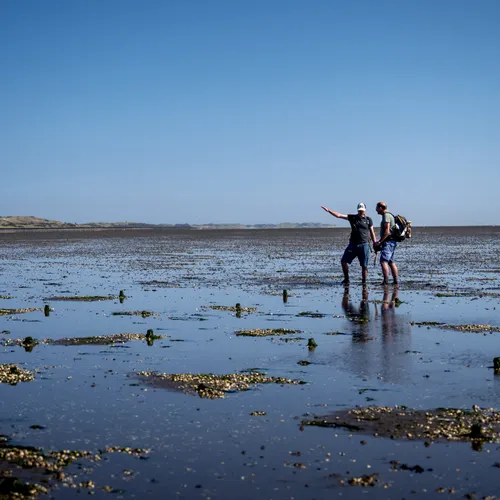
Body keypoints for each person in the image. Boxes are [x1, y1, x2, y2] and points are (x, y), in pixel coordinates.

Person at [321, 203, 377, 285]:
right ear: (358, 210)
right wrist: (329, 210)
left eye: (362, 210)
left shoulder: (368, 219)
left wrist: (375, 243)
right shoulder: (352, 217)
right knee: (343, 261)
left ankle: (364, 282)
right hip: (353, 245)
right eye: (359, 210)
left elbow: (372, 232)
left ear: (365, 210)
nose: (361, 212)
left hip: (364, 245)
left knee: (364, 266)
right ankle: (346, 279)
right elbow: (339, 215)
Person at [374, 201, 399, 285]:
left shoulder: (386, 216)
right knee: (391, 262)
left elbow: (387, 231)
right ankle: (395, 281)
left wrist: (380, 242)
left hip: (388, 242)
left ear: (381, 208)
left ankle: (386, 281)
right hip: (392, 242)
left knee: (383, 261)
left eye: (377, 208)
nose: (376, 210)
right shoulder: (389, 215)